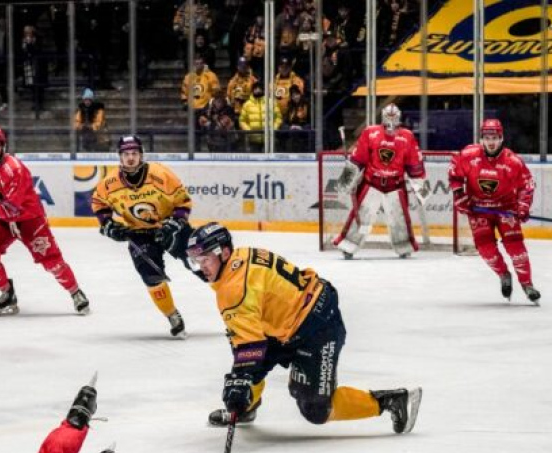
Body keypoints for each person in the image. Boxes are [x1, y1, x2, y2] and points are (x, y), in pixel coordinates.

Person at [181, 222, 422, 433]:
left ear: (223, 253)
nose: (201, 267)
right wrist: (242, 375)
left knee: (315, 408)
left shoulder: (233, 291)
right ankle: (246, 407)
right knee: (245, 364)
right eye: (196, 260)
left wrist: (241, 378)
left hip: (316, 326)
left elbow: (249, 346)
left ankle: (391, 401)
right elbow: (248, 337)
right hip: (287, 321)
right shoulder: (240, 256)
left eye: (204, 260)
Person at [0, 127, 89, 316]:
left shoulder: (15, 168)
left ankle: (76, 292)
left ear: (3, 145)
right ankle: (7, 292)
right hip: (4, 221)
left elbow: (13, 204)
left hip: (29, 220)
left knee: (52, 262)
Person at [91, 135, 193, 338]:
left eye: (134, 154)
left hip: (169, 227)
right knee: (151, 276)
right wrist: (108, 225)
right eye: (126, 154)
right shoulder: (109, 183)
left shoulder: (160, 173)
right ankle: (172, 315)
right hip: (138, 233)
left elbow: (183, 202)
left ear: (141, 155)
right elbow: (99, 204)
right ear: (120, 156)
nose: (130, 158)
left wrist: (174, 223)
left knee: (203, 263)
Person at [448, 119, 540, 304]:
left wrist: (523, 206)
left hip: (506, 209)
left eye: (495, 138)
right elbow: (455, 174)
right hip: (479, 210)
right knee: (486, 250)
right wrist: (459, 195)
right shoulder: (468, 155)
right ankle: (504, 274)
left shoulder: (512, 161)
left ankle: (527, 285)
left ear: (501, 138)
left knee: (516, 249)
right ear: (481, 138)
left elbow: (527, 185)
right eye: (487, 137)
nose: (491, 142)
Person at [333, 103, 428, 259]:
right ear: (383, 117)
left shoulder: (407, 136)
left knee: (400, 219)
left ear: (399, 117)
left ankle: (404, 246)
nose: (391, 120)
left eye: (394, 117)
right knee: (362, 215)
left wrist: (420, 185)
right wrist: (347, 178)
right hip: (372, 183)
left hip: (395, 184)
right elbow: (358, 158)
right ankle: (348, 245)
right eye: (388, 117)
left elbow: (414, 163)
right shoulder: (371, 133)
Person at [237, 82, 282, 153]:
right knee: (254, 162)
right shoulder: (247, 104)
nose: (258, 90)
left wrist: (274, 128)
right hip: (253, 139)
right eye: (255, 88)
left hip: (269, 139)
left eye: (259, 88)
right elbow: (242, 120)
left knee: (270, 162)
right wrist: (249, 131)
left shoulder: (271, 102)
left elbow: (278, 118)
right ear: (252, 90)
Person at [75, 88, 109, 153]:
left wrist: (91, 126)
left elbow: (99, 123)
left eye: (89, 100)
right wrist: (81, 126)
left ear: (91, 100)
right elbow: (76, 121)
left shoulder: (98, 110)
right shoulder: (81, 110)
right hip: (87, 136)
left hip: (99, 137)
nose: (87, 102)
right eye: (85, 100)